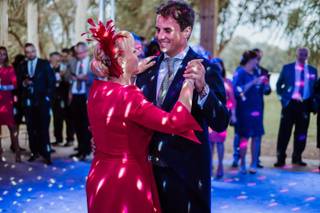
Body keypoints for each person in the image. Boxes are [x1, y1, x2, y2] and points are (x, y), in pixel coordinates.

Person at [86, 20, 202, 213]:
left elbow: (113, 123)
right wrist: (189, 82)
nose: (139, 53)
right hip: (127, 182)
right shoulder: (129, 98)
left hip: (100, 176)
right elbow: (174, 122)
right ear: (121, 60)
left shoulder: (97, 90)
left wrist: (130, 73)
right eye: (133, 51)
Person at [135, 1, 229, 212]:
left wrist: (203, 87)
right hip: (148, 174)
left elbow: (221, 121)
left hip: (186, 177)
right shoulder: (146, 68)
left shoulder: (207, 68)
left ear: (186, 31)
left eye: (167, 30)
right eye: (158, 29)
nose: (160, 36)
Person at [274, 47, 318, 167]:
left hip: (305, 105)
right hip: (289, 104)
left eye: (304, 54)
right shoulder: (287, 68)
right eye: (300, 54)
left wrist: (314, 104)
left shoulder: (313, 71)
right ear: (296, 54)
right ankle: (280, 158)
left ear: (307, 56)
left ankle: (297, 157)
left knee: (301, 133)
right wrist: (283, 99)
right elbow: (278, 86)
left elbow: (316, 89)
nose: (302, 56)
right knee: (284, 132)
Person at [19, 43, 55, 165]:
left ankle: (47, 154)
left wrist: (47, 98)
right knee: (31, 129)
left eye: (32, 51)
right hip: (28, 102)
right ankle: (34, 152)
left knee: (44, 129)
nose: (30, 54)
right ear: (25, 53)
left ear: (36, 51)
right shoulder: (22, 65)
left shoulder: (44, 64)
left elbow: (52, 82)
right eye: (28, 52)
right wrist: (24, 83)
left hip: (42, 102)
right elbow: (18, 83)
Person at [233, 50, 269, 174]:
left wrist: (265, 85)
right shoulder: (240, 73)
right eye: (255, 60)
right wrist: (253, 82)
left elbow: (262, 90)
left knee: (257, 137)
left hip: (257, 109)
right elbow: (237, 91)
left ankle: (253, 163)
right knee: (244, 138)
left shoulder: (257, 72)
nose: (257, 63)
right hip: (244, 110)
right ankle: (242, 162)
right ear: (249, 61)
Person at [208, 58, 236, 178]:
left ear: (222, 68)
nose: (217, 69)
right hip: (209, 115)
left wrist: (233, 114)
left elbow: (233, 100)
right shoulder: (207, 80)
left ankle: (220, 165)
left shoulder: (227, 82)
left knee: (219, 143)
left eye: (219, 66)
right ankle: (209, 166)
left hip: (221, 115)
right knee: (209, 143)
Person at [66, 42, 94, 160]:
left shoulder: (93, 62)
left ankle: (86, 150)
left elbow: (98, 78)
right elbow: (66, 76)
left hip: (86, 96)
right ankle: (80, 149)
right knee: (76, 124)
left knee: (86, 125)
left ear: (86, 51)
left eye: (81, 53)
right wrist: (71, 77)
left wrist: (86, 77)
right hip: (75, 95)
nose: (78, 55)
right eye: (77, 53)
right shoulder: (73, 62)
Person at [0, 46, 21, 163]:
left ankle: (17, 152)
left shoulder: (10, 68)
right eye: (0, 54)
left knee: (12, 127)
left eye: (4, 54)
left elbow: (14, 85)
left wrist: (2, 87)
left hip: (6, 101)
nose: (1, 56)